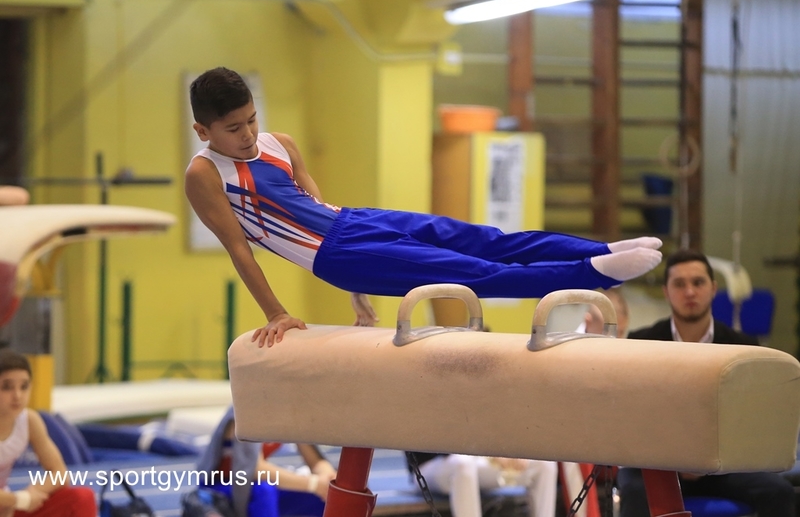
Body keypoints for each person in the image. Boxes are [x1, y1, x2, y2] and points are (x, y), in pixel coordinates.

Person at [184, 67, 663, 348]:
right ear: (203, 131)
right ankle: (594, 273)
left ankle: (600, 248)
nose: (248, 135)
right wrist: (277, 313)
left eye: (252, 120)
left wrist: (357, 288)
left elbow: (315, 205)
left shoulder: (280, 143)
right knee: (478, 274)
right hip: (339, 255)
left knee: (489, 240)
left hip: (354, 221)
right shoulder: (205, 175)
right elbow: (240, 250)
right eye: (234, 129)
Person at [617, 248, 795, 517]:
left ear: (713, 289)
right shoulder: (641, 343)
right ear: (666, 292)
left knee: (779, 491)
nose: (689, 292)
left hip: (724, 466)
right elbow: (633, 417)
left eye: (697, 283)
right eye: (679, 284)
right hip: (659, 466)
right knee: (632, 489)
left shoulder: (743, 347)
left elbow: (752, 419)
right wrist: (674, 459)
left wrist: (713, 459)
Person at [0, 349, 96, 516]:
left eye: (24, 387)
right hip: (10, 502)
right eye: (7, 387)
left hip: (7, 507)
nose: (17, 395)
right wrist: (18, 500)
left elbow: (60, 474)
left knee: (81, 497)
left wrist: (34, 491)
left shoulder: (29, 421)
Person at [196, 406, 337, 517]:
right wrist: (313, 484)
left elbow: (316, 461)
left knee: (329, 495)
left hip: (254, 485)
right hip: (221, 487)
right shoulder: (246, 410)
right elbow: (255, 469)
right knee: (265, 490)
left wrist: (329, 479)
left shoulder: (292, 410)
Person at [405, 451, 557, 517]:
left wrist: (513, 450)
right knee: (463, 464)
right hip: (432, 463)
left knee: (544, 465)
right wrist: (490, 451)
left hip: (478, 458)